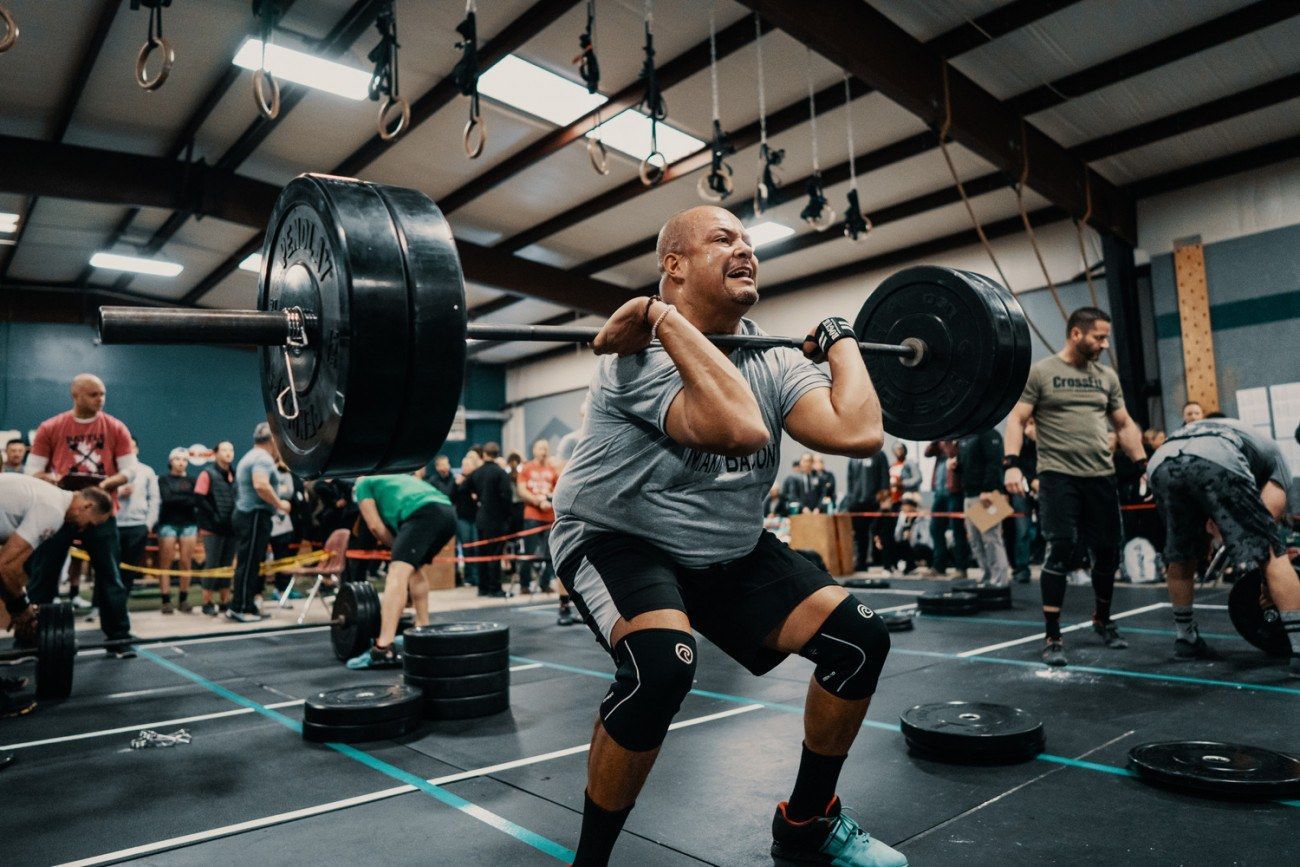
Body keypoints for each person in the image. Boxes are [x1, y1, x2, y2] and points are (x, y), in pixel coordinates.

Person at [549, 206, 899, 866]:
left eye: (748, 240)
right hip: (617, 535)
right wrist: (660, 320)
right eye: (723, 239)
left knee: (859, 640)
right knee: (659, 667)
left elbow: (858, 431)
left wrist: (842, 339)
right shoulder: (638, 356)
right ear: (672, 266)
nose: (745, 250)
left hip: (725, 548)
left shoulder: (767, 353)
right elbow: (741, 426)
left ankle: (807, 820)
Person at [1004, 307, 1149, 667]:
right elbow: (1018, 419)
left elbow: (1125, 423)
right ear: (1076, 335)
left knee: (1108, 551)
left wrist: (1145, 465)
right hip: (1057, 475)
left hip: (1100, 475)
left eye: (1106, 337)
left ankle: (1103, 619)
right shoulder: (1043, 372)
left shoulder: (1106, 377)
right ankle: (1053, 634)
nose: (1104, 344)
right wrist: (1011, 464)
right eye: (1098, 337)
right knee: (1062, 547)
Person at [1147, 416, 1300, 675]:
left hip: (1161, 462)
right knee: (1273, 551)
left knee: (1182, 555)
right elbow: (1268, 519)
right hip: (1217, 457)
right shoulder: (1278, 460)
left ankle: (1186, 639)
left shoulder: (1234, 434)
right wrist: (1266, 581)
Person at [24, 373, 136, 652]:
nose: (100, 400)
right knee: (44, 575)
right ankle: (30, 638)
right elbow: (32, 471)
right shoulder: (51, 427)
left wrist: (106, 484)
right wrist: (56, 480)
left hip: (99, 513)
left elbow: (130, 469)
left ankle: (119, 636)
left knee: (110, 575)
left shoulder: (115, 427)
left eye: (103, 394)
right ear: (76, 395)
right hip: (61, 510)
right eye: (93, 394)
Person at [0, 476, 114, 716]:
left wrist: (19, 604)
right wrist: (21, 608)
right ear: (87, 506)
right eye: (90, 524)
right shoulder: (52, 509)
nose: (83, 530)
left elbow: (11, 568)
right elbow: (5, 567)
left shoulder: (50, 498)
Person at [346, 473, 456, 669]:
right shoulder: (393, 477)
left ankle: (383, 647)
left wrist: (396, 547)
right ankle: (422, 629)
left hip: (422, 513)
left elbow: (375, 526)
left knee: (397, 571)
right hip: (447, 513)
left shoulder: (362, 484)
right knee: (414, 569)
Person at [228, 423, 290, 623]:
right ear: (273, 439)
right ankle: (241, 607)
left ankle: (245, 605)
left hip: (250, 515)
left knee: (250, 564)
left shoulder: (251, 456)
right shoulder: (262, 458)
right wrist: (280, 503)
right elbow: (261, 485)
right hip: (254, 515)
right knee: (248, 564)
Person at [518, 439, 568, 621]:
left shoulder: (552, 470)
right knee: (529, 552)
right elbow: (521, 490)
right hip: (532, 515)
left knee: (550, 554)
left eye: (546, 448)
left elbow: (560, 489)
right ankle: (524, 584)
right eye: (540, 448)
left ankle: (545, 583)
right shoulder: (527, 468)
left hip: (549, 517)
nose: (544, 451)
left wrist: (550, 500)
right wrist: (537, 500)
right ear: (534, 450)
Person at [956, 427, 1010, 587]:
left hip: (986, 494)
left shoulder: (989, 434)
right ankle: (987, 576)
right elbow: (966, 464)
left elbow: (995, 463)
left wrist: (988, 489)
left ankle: (999, 579)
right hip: (969, 495)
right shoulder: (965, 436)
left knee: (991, 539)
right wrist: (956, 466)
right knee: (975, 541)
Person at [194, 441, 237, 615]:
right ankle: (207, 602)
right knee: (212, 564)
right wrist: (214, 517)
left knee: (227, 565)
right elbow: (199, 499)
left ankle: (225, 602)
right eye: (225, 449)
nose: (228, 452)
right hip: (212, 529)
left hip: (230, 528)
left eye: (231, 449)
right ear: (216, 453)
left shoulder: (235, 474)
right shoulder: (207, 474)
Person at [155, 448, 200, 614]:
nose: (181, 462)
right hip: (167, 524)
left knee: (186, 563)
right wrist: (187, 498)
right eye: (177, 459)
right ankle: (166, 601)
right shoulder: (163, 479)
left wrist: (178, 498)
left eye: (184, 459)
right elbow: (167, 499)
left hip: (189, 524)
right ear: (170, 461)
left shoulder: (193, 480)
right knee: (165, 564)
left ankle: (183, 599)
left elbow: (196, 500)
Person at [466, 442, 514, 598]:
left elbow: (463, 490)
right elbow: (507, 497)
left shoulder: (476, 473)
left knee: (483, 554)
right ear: (497, 454)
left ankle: (483, 587)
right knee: (495, 555)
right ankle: (495, 588)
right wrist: (507, 517)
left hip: (481, 518)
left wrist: (476, 501)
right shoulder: (501, 473)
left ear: (484, 454)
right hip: (497, 520)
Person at [116, 438, 158, 593]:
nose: (129, 450)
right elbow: (101, 495)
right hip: (114, 526)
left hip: (138, 527)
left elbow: (154, 499)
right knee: (109, 569)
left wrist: (147, 525)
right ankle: (99, 606)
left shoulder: (147, 471)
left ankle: (122, 605)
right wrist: (119, 492)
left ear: (137, 450)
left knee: (129, 569)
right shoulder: (112, 469)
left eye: (132, 447)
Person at [924, 439, 970, 578]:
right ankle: (939, 566)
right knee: (935, 529)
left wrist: (947, 441)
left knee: (957, 530)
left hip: (955, 492)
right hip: (939, 493)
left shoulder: (957, 442)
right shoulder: (939, 445)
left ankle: (961, 568)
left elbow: (952, 453)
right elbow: (927, 452)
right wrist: (936, 439)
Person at [1002, 420, 1038, 583]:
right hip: (1021, 489)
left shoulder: (1044, 434)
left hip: (1043, 484)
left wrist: (1038, 439)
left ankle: (1058, 567)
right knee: (1021, 530)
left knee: (1050, 529)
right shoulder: (1014, 440)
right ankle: (1021, 568)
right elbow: (1009, 464)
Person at [844, 450, 889, 570]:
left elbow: (885, 476)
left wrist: (882, 497)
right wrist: (851, 498)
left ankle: (879, 560)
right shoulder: (852, 456)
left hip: (874, 501)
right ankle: (861, 562)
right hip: (857, 502)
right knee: (860, 534)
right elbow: (850, 479)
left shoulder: (879, 454)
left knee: (877, 531)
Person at [452, 453, 480, 587]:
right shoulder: (458, 480)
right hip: (462, 517)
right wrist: (456, 485)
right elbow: (451, 497)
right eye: (463, 465)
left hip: (475, 518)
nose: (465, 467)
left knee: (475, 547)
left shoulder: (476, 479)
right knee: (466, 547)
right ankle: (469, 576)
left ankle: (476, 576)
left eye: (468, 465)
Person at [891, 493, 932, 574]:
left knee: (916, 547)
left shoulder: (922, 519)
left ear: (913, 507)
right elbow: (897, 536)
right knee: (895, 544)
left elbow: (926, 539)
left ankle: (920, 563)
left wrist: (912, 536)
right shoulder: (902, 517)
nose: (905, 511)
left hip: (922, 546)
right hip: (908, 544)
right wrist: (903, 533)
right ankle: (898, 565)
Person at [555, 397, 590, 469]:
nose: (589, 419)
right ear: (581, 416)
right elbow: (561, 471)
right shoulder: (570, 440)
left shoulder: (605, 438)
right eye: (586, 415)